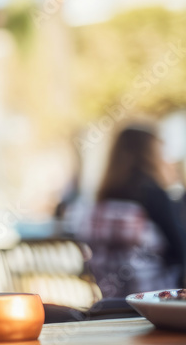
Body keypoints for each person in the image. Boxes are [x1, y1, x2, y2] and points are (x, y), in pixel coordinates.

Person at [78, 124, 186, 297]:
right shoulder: (154, 196)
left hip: (112, 303)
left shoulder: (103, 199)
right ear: (150, 155)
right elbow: (181, 250)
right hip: (155, 301)